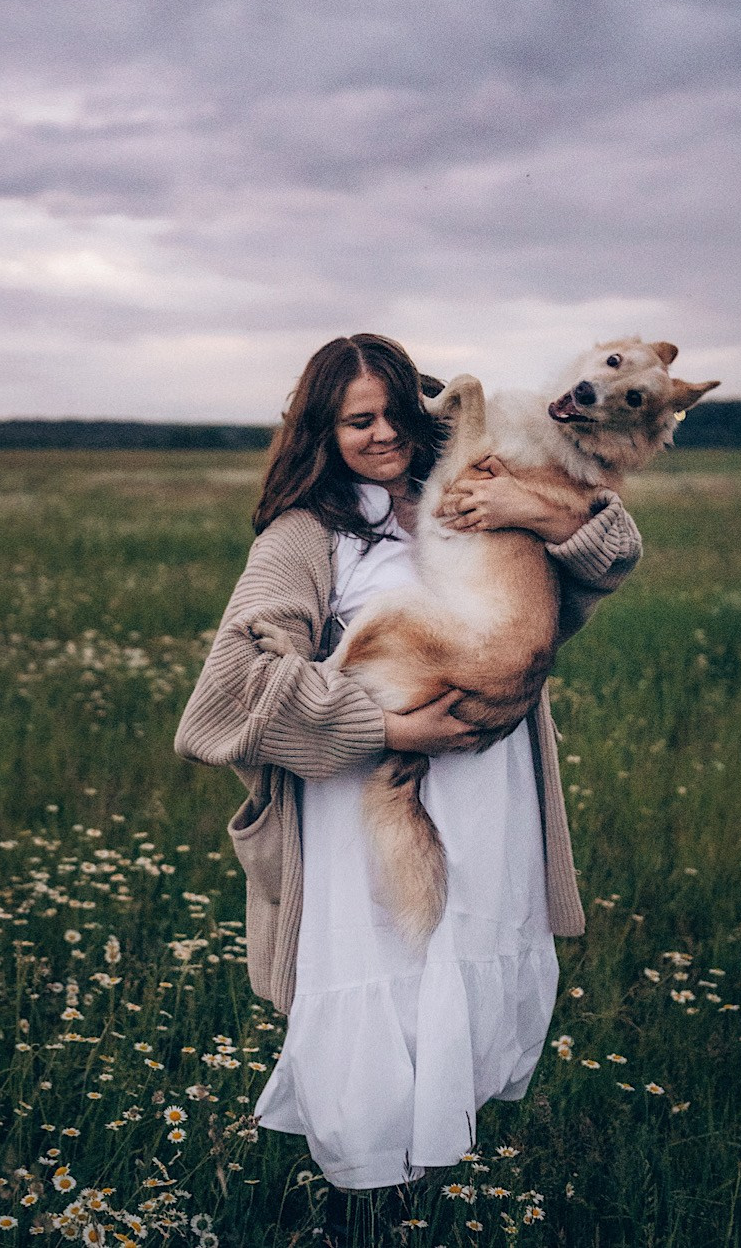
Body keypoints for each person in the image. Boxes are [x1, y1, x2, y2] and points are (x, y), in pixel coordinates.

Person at [174, 333, 640, 1242]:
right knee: (383, 973)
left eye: (398, 413)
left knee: (462, 960)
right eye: (358, 421)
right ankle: (367, 1207)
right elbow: (221, 701)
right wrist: (385, 728)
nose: (385, 434)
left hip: (491, 794)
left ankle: (438, 1187)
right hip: (370, 795)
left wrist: (535, 513)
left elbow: (608, 555)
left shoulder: (469, 488)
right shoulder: (306, 534)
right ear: (322, 429)